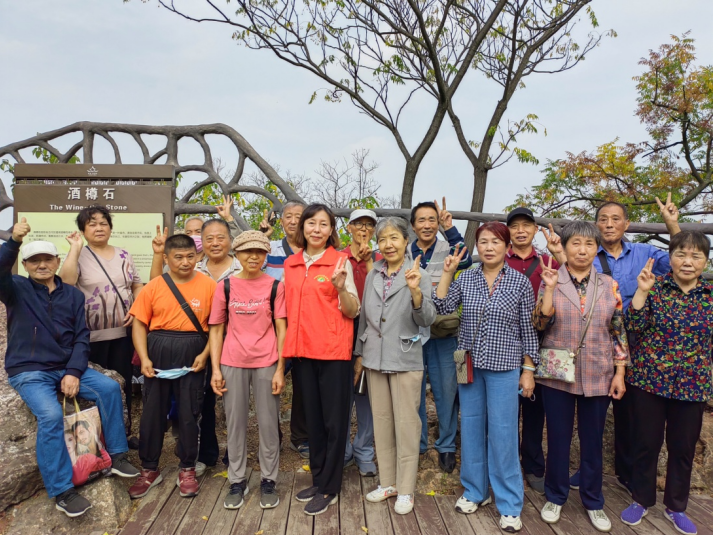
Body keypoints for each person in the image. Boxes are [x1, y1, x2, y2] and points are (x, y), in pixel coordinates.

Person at [2, 218, 139, 518]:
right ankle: (62, 490)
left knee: (109, 388)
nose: (41, 265)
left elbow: (81, 337)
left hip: (66, 365)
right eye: (34, 260)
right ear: (24, 265)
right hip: (30, 370)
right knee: (51, 415)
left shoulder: (73, 295)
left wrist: (74, 372)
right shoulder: (16, 289)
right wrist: (14, 241)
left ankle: (117, 455)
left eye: (47, 259)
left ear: (57, 261)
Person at [570, 195, 681, 493]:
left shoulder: (645, 253)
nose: (609, 224)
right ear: (596, 224)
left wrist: (672, 225)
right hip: (595, 339)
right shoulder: (586, 254)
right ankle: (586, 469)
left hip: (638, 339)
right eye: (603, 219)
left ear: (627, 224)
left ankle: (628, 472)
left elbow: (680, 261)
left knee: (632, 410)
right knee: (593, 409)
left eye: (615, 219)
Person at [434, 221, 539, 533]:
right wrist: (447, 273)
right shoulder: (466, 278)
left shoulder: (519, 282)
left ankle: (509, 503)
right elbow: (442, 305)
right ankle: (475, 491)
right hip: (468, 363)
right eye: (483, 241)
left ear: (507, 247)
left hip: (505, 367)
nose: (489, 247)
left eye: (495, 241)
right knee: (471, 428)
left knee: (504, 434)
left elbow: (528, 330)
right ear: (476, 247)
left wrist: (528, 370)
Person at [533, 221, 628, 533]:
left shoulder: (608, 284)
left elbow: (618, 330)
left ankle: (593, 500)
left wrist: (620, 372)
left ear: (596, 249)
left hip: (598, 370)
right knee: (557, 438)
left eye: (589, 244)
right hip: (557, 372)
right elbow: (539, 324)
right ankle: (555, 495)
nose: (582, 250)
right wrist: (548, 289)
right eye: (576, 243)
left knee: (592, 441)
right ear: (565, 246)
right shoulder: (552, 277)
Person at [620, 231, 712, 535]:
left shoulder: (710, 295)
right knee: (645, 443)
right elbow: (632, 326)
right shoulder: (654, 287)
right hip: (649, 380)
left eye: (696, 256)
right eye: (681, 254)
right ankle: (641, 499)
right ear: (669, 258)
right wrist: (641, 292)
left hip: (693, 384)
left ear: (705, 261)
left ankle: (676, 506)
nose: (687, 261)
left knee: (683, 448)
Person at [282, 204, 360, 516]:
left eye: (323, 224)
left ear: (331, 230)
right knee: (312, 421)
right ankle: (318, 479)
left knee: (334, 422)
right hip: (302, 352)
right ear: (302, 227)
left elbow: (352, 310)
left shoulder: (340, 262)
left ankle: (330, 487)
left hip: (333, 353)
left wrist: (340, 289)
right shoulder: (291, 264)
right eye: (311, 223)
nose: (316, 229)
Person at [355, 217, 436, 514]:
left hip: (405, 357)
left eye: (394, 238)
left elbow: (427, 319)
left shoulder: (419, 274)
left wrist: (415, 292)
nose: (388, 244)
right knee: (382, 422)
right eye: (382, 239)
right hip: (375, 358)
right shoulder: (374, 274)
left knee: (406, 424)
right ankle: (387, 482)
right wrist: (359, 354)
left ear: (405, 241)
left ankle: (406, 488)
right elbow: (365, 319)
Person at [150, 218, 242, 475]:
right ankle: (206, 453)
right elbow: (158, 287)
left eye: (221, 237)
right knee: (202, 402)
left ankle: (236, 456)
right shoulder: (192, 267)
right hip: (202, 345)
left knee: (235, 402)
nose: (215, 243)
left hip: (237, 344)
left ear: (230, 240)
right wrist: (158, 254)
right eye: (209, 238)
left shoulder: (242, 266)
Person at [128, 234, 216, 500]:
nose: (185, 262)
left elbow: (217, 326)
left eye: (190, 256)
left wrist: (205, 354)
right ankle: (149, 469)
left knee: (189, 413)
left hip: (193, 352)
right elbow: (139, 324)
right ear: (166, 258)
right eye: (178, 257)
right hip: (157, 353)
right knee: (152, 413)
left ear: (197, 256)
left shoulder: (209, 286)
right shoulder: (154, 286)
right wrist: (144, 358)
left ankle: (187, 468)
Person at [208, 231, 288, 510]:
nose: (253, 256)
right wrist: (215, 369)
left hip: (266, 361)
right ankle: (237, 480)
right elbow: (216, 329)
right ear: (237, 254)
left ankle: (269, 479)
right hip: (232, 361)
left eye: (259, 252)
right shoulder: (225, 286)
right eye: (247, 251)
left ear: (266, 255)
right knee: (235, 424)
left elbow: (281, 329)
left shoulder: (275, 286)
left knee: (268, 424)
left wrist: (280, 368)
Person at [58, 205, 143, 434]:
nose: (99, 228)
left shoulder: (124, 255)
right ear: (83, 230)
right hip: (90, 337)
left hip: (123, 334)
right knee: (95, 390)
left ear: (110, 228)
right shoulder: (78, 256)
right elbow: (66, 283)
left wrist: (136, 307)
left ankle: (123, 434)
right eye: (92, 224)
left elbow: (136, 284)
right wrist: (75, 249)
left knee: (123, 384)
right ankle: (96, 439)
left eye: (103, 223)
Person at [505, 207, 565, 496]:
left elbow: (576, 281)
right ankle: (506, 465)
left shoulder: (548, 261)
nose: (520, 231)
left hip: (542, 340)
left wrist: (559, 253)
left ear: (533, 230)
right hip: (505, 343)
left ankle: (532, 465)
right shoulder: (498, 259)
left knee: (534, 408)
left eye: (526, 225)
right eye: (514, 226)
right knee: (505, 410)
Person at [411, 198, 472, 474]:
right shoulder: (406, 250)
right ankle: (419, 442)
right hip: (412, 331)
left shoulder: (449, 247)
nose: (427, 225)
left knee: (447, 390)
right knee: (414, 390)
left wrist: (450, 228)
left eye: (432, 220)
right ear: (413, 225)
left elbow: (466, 259)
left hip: (444, 331)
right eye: (421, 220)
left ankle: (446, 444)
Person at [262, 201, 311, 460]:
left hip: (305, 327)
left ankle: (300, 437)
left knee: (303, 384)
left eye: (298, 216)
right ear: (281, 221)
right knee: (271, 381)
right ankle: (272, 437)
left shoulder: (314, 250)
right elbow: (251, 272)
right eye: (288, 216)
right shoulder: (269, 248)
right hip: (273, 326)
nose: (293, 221)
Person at [342, 208, 381, 477]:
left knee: (367, 391)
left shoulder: (380, 260)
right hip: (343, 327)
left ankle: (364, 449)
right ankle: (343, 449)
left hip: (373, 329)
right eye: (359, 224)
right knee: (342, 393)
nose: (364, 229)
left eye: (369, 224)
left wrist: (369, 262)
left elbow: (379, 295)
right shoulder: (338, 257)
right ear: (349, 228)